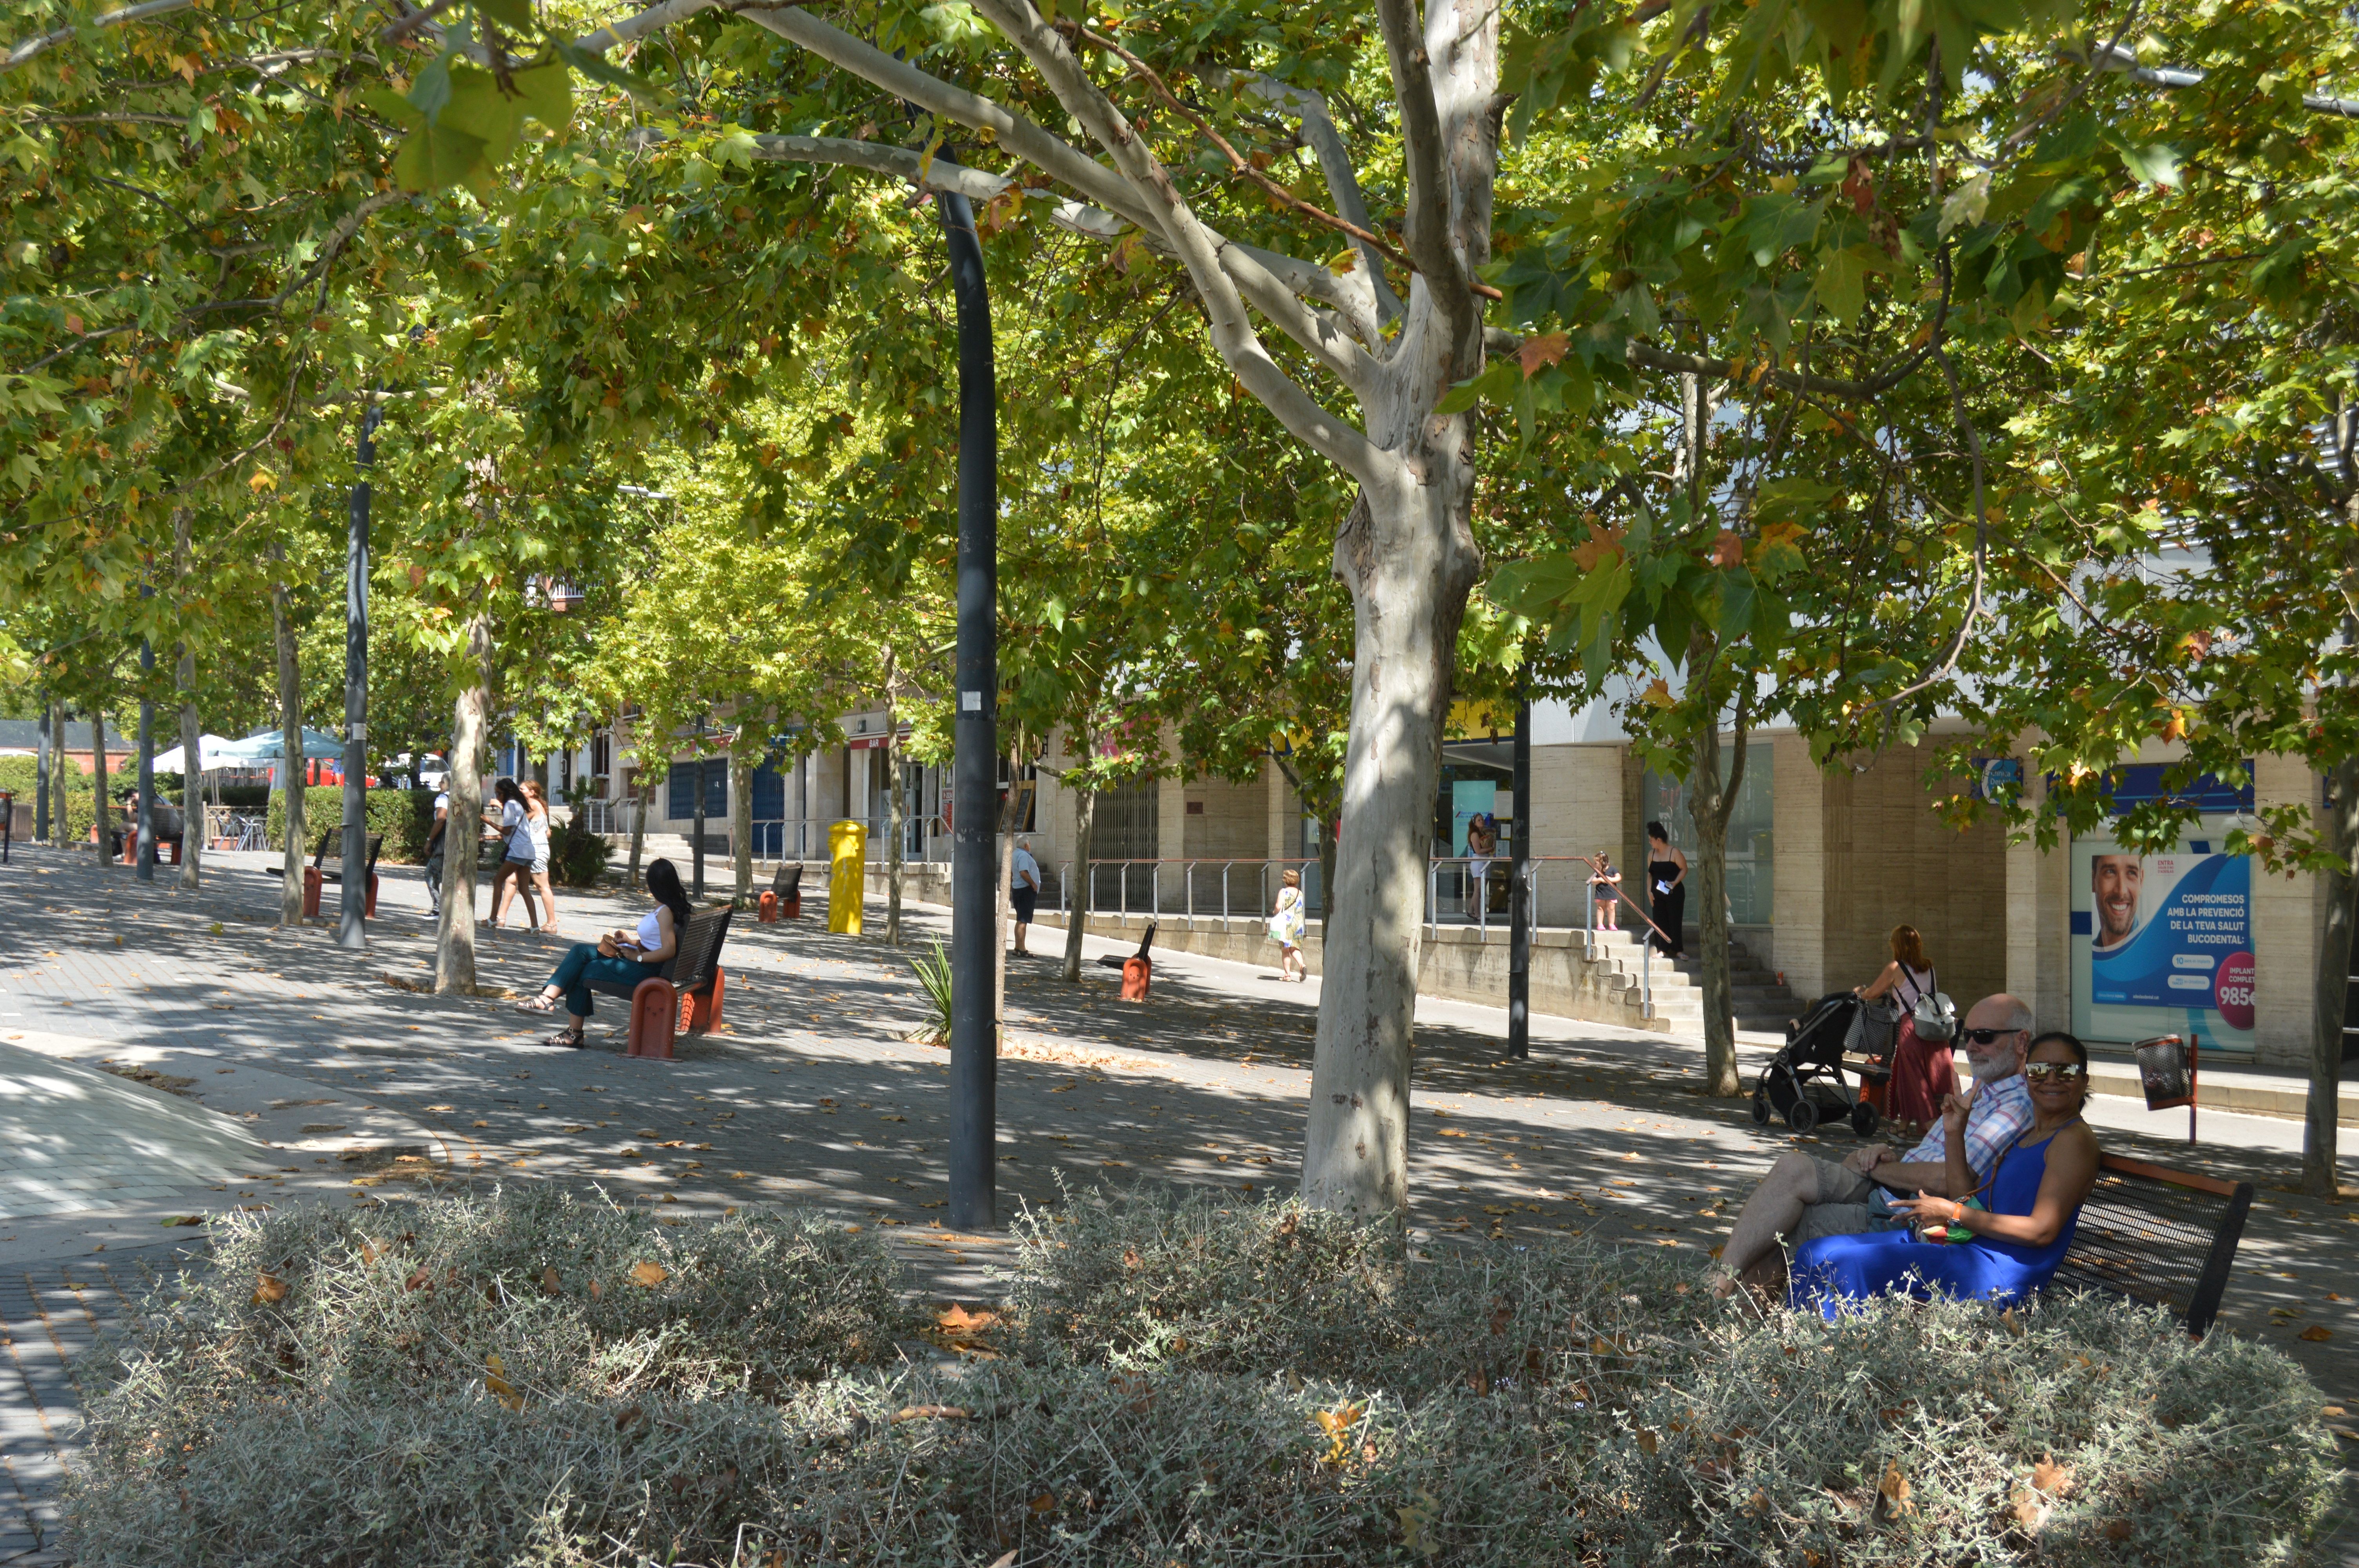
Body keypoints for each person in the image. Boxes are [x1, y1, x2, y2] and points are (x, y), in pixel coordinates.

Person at [1710, 994, 2037, 1298]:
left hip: (1904, 1209)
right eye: (1968, 1035)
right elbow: (1935, 1156)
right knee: (1792, 1167)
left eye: (1984, 1037)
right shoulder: (1983, 1087)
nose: (1972, 1047)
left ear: (2021, 1041)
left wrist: (1880, 1167)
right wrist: (1887, 1155)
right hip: (1889, 1185)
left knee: (1792, 1226)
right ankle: (1719, 1283)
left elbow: (1947, 1181)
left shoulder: (2015, 1105)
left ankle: (1728, 1320)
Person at [1790, 1031, 2099, 1316]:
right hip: (1966, 1252)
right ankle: (1795, 1351)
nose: (2051, 1080)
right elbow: (1969, 1198)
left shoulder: (2072, 1140)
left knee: (1840, 1264)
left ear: (2084, 1081)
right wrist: (1955, 1133)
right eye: (2039, 1070)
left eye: (2066, 1071)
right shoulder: (2030, 1136)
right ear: (2027, 1078)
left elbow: (2041, 1230)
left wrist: (1952, 1212)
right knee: (1816, 1252)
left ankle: (1828, 1356)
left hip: (1993, 1273)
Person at [516, 858, 691, 1048]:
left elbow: (668, 950)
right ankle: (547, 999)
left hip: (647, 970)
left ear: (653, 884)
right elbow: (657, 942)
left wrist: (638, 956)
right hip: (643, 961)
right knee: (580, 952)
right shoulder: (667, 907)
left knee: (583, 970)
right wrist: (631, 942)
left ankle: (571, 1031)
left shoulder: (665, 912)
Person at [1856, 923, 1954, 1129]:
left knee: (1914, 1080)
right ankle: (1904, 1127)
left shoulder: (1896, 968)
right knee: (1929, 1076)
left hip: (1912, 1028)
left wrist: (1860, 993)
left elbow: (1873, 993)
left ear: (1897, 945)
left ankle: (1930, 1126)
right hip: (1934, 1027)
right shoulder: (1929, 967)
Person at [485, 779, 540, 932]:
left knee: (498, 880)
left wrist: (488, 821)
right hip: (528, 851)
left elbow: (507, 831)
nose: (497, 796)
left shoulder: (510, 805)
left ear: (507, 793)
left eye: (499, 793)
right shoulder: (518, 805)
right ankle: (535, 927)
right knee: (524, 889)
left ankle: (493, 919)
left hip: (518, 850)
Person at [518, 779, 560, 933]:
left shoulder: (533, 805)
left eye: (522, 789)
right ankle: (499, 917)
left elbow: (519, 822)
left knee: (543, 887)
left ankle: (551, 924)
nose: (520, 792)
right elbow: (548, 832)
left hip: (536, 850)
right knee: (511, 881)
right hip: (539, 848)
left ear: (532, 792)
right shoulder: (540, 806)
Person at [1645, 821, 1688, 959]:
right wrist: (1649, 892)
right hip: (1657, 894)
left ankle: (1678, 950)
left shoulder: (1674, 852)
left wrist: (1675, 882)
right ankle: (1662, 949)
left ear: (1659, 840)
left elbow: (1684, 869)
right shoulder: (1651, 854)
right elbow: (1650, 874)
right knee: (1659, 920)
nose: (1650, 843)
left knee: (1675, 920)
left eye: (1652, 840)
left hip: (1674, 892)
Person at [2090, 853, 2143, 952]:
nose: (2121, 891)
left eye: (2132, 873)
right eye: (2110, 872)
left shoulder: (2157, 953)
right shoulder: (2087, 953)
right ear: (2093, 880)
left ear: (2141, 881)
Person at [1269, 867, 1308, 982]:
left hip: (1286, 924)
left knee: (1286, 950)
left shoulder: (1284, 892)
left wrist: (1274, 912)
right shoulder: (1300, 893)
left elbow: (1278, 906)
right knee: (1295, 948)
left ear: (1286, 880)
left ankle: (1287, 975)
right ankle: (1302, 966)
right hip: (1299, 924)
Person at [1010, 834, 1041, 955]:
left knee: (1020, 920)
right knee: (1023, 921)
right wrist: (1033, 884)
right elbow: (1023, 872)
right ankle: (1022, 949)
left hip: (1019, 889)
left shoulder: (1016, 854)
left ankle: (1018, 948)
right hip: (1025, 890)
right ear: (1027, 845)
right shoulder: (1023, 855)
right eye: (1030, 844)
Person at [422, 788, 449, 917]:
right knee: (448, 876)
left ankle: (439, 908)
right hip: (457, 845)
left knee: (431, 874)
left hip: (443, 845)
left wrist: (430, 840)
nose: (439, 784)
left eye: (442, 782)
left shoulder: (443, 798)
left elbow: (440, 819)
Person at [1589, 847, 1622, 931]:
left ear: (1602, 863)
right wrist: (1600, 880)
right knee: (1601, 908)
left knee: (1611, 909)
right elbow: (1592, 880)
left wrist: (1609, 880)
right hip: (1601, 893)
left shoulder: (1613, 869)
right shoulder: (1597, 871)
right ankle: (1600, 924)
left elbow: (1619, 878)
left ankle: (1612, 924)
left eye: (1596, 863)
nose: (1595, 865)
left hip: (1611, 893)